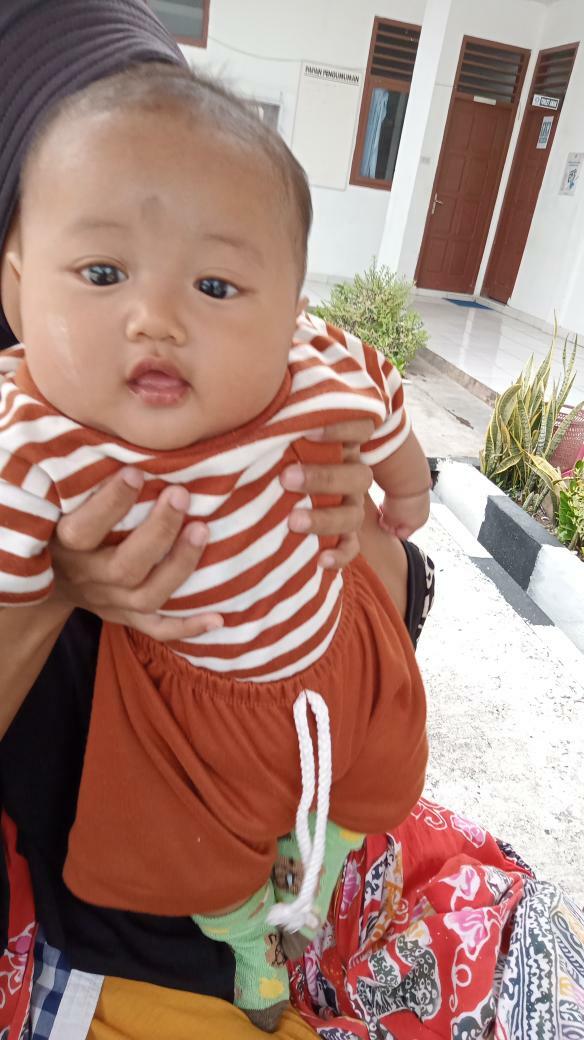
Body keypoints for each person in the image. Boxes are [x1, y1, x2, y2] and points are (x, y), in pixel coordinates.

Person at [0, 58, 432, 1030]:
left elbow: (384, 401)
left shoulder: (309, 372)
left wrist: (398, 493)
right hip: (177, 722)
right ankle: (250, 944)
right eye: (102, 274)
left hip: (334, 656)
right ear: (19, 291)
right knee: (196, 860)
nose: (156, 319)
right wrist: (50, 580)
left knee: (377, 775)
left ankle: (317, 876)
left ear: (291, 311)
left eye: (215, 284)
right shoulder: (32, 440)